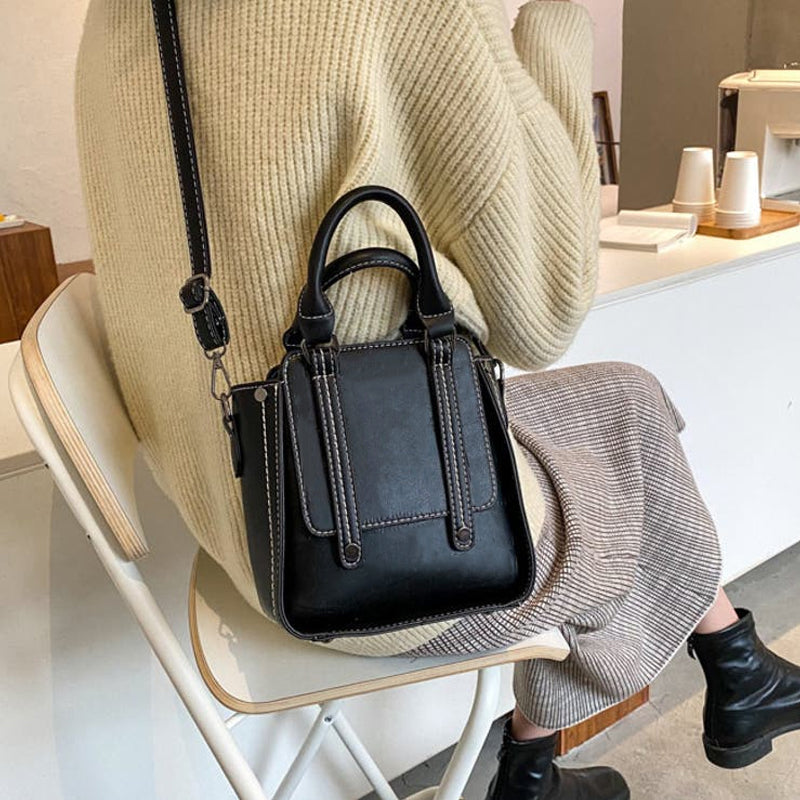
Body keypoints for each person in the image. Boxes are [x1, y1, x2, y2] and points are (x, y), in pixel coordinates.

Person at [74, 1, 800, 797]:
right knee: (630, 487)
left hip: (239, 516)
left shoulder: (116, 21)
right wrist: (554, 28)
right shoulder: (405, 11)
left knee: (627, 398)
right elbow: (546, 313)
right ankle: (655, 707)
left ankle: (702, 686)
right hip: (362, 563)